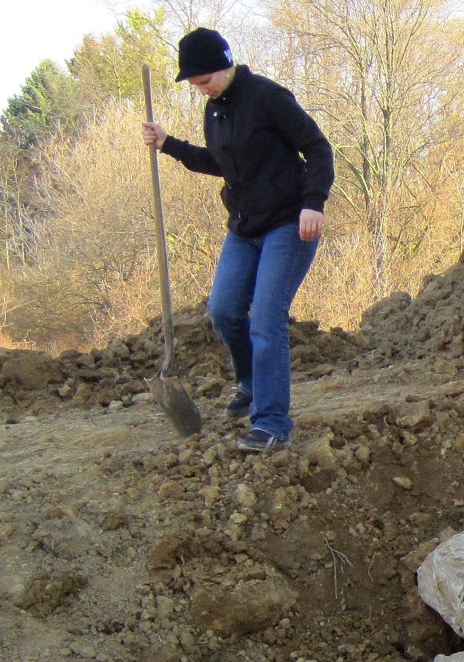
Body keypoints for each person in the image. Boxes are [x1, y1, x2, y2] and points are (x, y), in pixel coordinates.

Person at [141, 27, 334, 452]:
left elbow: (318, 148)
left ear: (225, 66)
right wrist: (168, 144)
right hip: (244, 229)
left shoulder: (268, 98)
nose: (201, 90)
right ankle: (251, 382)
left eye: (204, 81)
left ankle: (271, 424)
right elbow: (219, 162)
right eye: (194, 85)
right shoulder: (215, 110)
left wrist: (313, 202)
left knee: (266, 318)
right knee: (224, 311)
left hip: (289, 224)